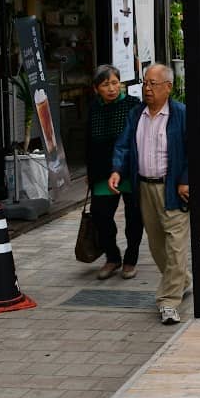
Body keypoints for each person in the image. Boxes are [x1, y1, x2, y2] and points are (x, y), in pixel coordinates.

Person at [108, 63, 189, 325]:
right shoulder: (136, 115)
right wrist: (117, 170)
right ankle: (182, 280)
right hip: (144, 187)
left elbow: (193, 150)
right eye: (145, 83)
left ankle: (168, 301)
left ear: (168, 87)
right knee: (156, 246)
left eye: (153, 84)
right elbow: (123, 145)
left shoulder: (180, 114)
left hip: (172, 189)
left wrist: (185, 180)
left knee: (175, 246)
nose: (147, 88)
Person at [87, 65, 142, 281]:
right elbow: (89, 144)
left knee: (134, 217)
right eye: (105, 84)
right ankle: (112, 257)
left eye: (115, 83)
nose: (111, 88)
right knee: (101, 216)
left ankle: (130, 259)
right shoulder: (93, 108)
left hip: (129, 170)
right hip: (102, 171)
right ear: (96, 89)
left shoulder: (133, 106)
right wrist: (90, 175)